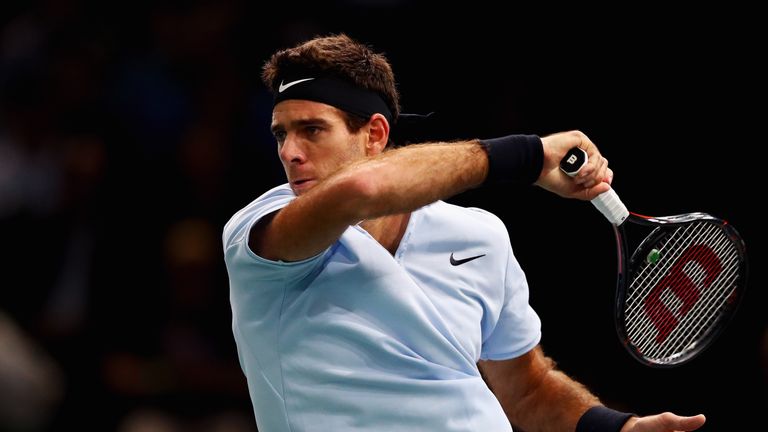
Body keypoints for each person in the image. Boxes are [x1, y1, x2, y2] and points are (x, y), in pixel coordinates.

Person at [222, 33, 706, 432]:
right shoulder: (258, 234)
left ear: (374, 134)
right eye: (281, 133)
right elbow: (363, 189)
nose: (290, 152)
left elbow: (526, 388)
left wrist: (617, 429)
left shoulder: (478, 235)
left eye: (311, 130)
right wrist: (528, 155)